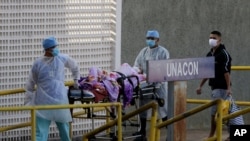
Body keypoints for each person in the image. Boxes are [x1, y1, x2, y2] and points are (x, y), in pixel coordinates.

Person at [24, 36, 80, 141]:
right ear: (47, 49)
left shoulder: (62, 58)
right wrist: (28, 99)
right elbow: (31, 82)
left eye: (56, 46)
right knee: (40, 132)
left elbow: (75, 66)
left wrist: (76, 79)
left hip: (59, 99)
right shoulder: (38, 63)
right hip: (43, 100)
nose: (56, 48)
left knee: (64, 130)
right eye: (54, 47)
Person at [133, 30, 169, 141]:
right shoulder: (143, 52)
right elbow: (136, 65)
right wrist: (138, 71)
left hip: (159, 85)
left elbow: (164, 67)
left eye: (152, 38)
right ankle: (142, 131)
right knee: (143, 108)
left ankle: (170, 133)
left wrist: (154, 75)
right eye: (148, 38)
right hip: (146, 84)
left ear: (158, 40)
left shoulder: (163, 52)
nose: (149, 40)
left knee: (163, 109)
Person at [196, 31, 232, 140]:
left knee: (217, 113)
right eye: (210, 37)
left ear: (219, 40)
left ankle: (212, 135)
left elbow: (226, 73)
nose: (211, 39)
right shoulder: (210, 54)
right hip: (214, 87)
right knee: (223, 113)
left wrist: (229, 88)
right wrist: (200, 86)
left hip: (222, 88)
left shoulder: (223, 54)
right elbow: (207, 72)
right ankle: (223, 134)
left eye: (214, 38)